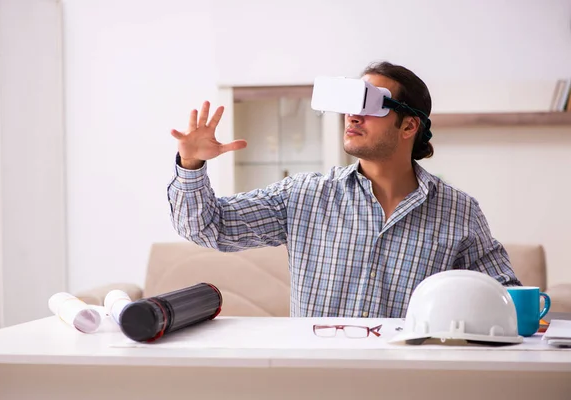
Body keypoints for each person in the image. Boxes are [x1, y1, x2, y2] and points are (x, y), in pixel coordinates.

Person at [167, 61, 521, 318]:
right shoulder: (304, 195)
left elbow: (506, 295)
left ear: (409, 124)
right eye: (351, 103)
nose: (352, 116)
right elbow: (210, 228)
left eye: (369, 104)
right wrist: (191, 164)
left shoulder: (458, 211)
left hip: (407, 380)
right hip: (316, 377)